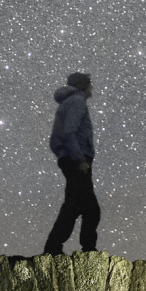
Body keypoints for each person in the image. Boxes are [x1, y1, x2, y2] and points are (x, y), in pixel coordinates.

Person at [43, 71, 99, 254]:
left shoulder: (69, 103)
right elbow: (69, 132)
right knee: (87, 207)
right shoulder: (77, 102)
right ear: (83, 85)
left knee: (77, 204)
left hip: (71, 157)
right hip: (77, 159)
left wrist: (63, 155)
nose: (92, 88)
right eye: (89, 84)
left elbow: (57, 139)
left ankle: (55, 246)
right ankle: (84, 249)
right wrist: (79, 159)